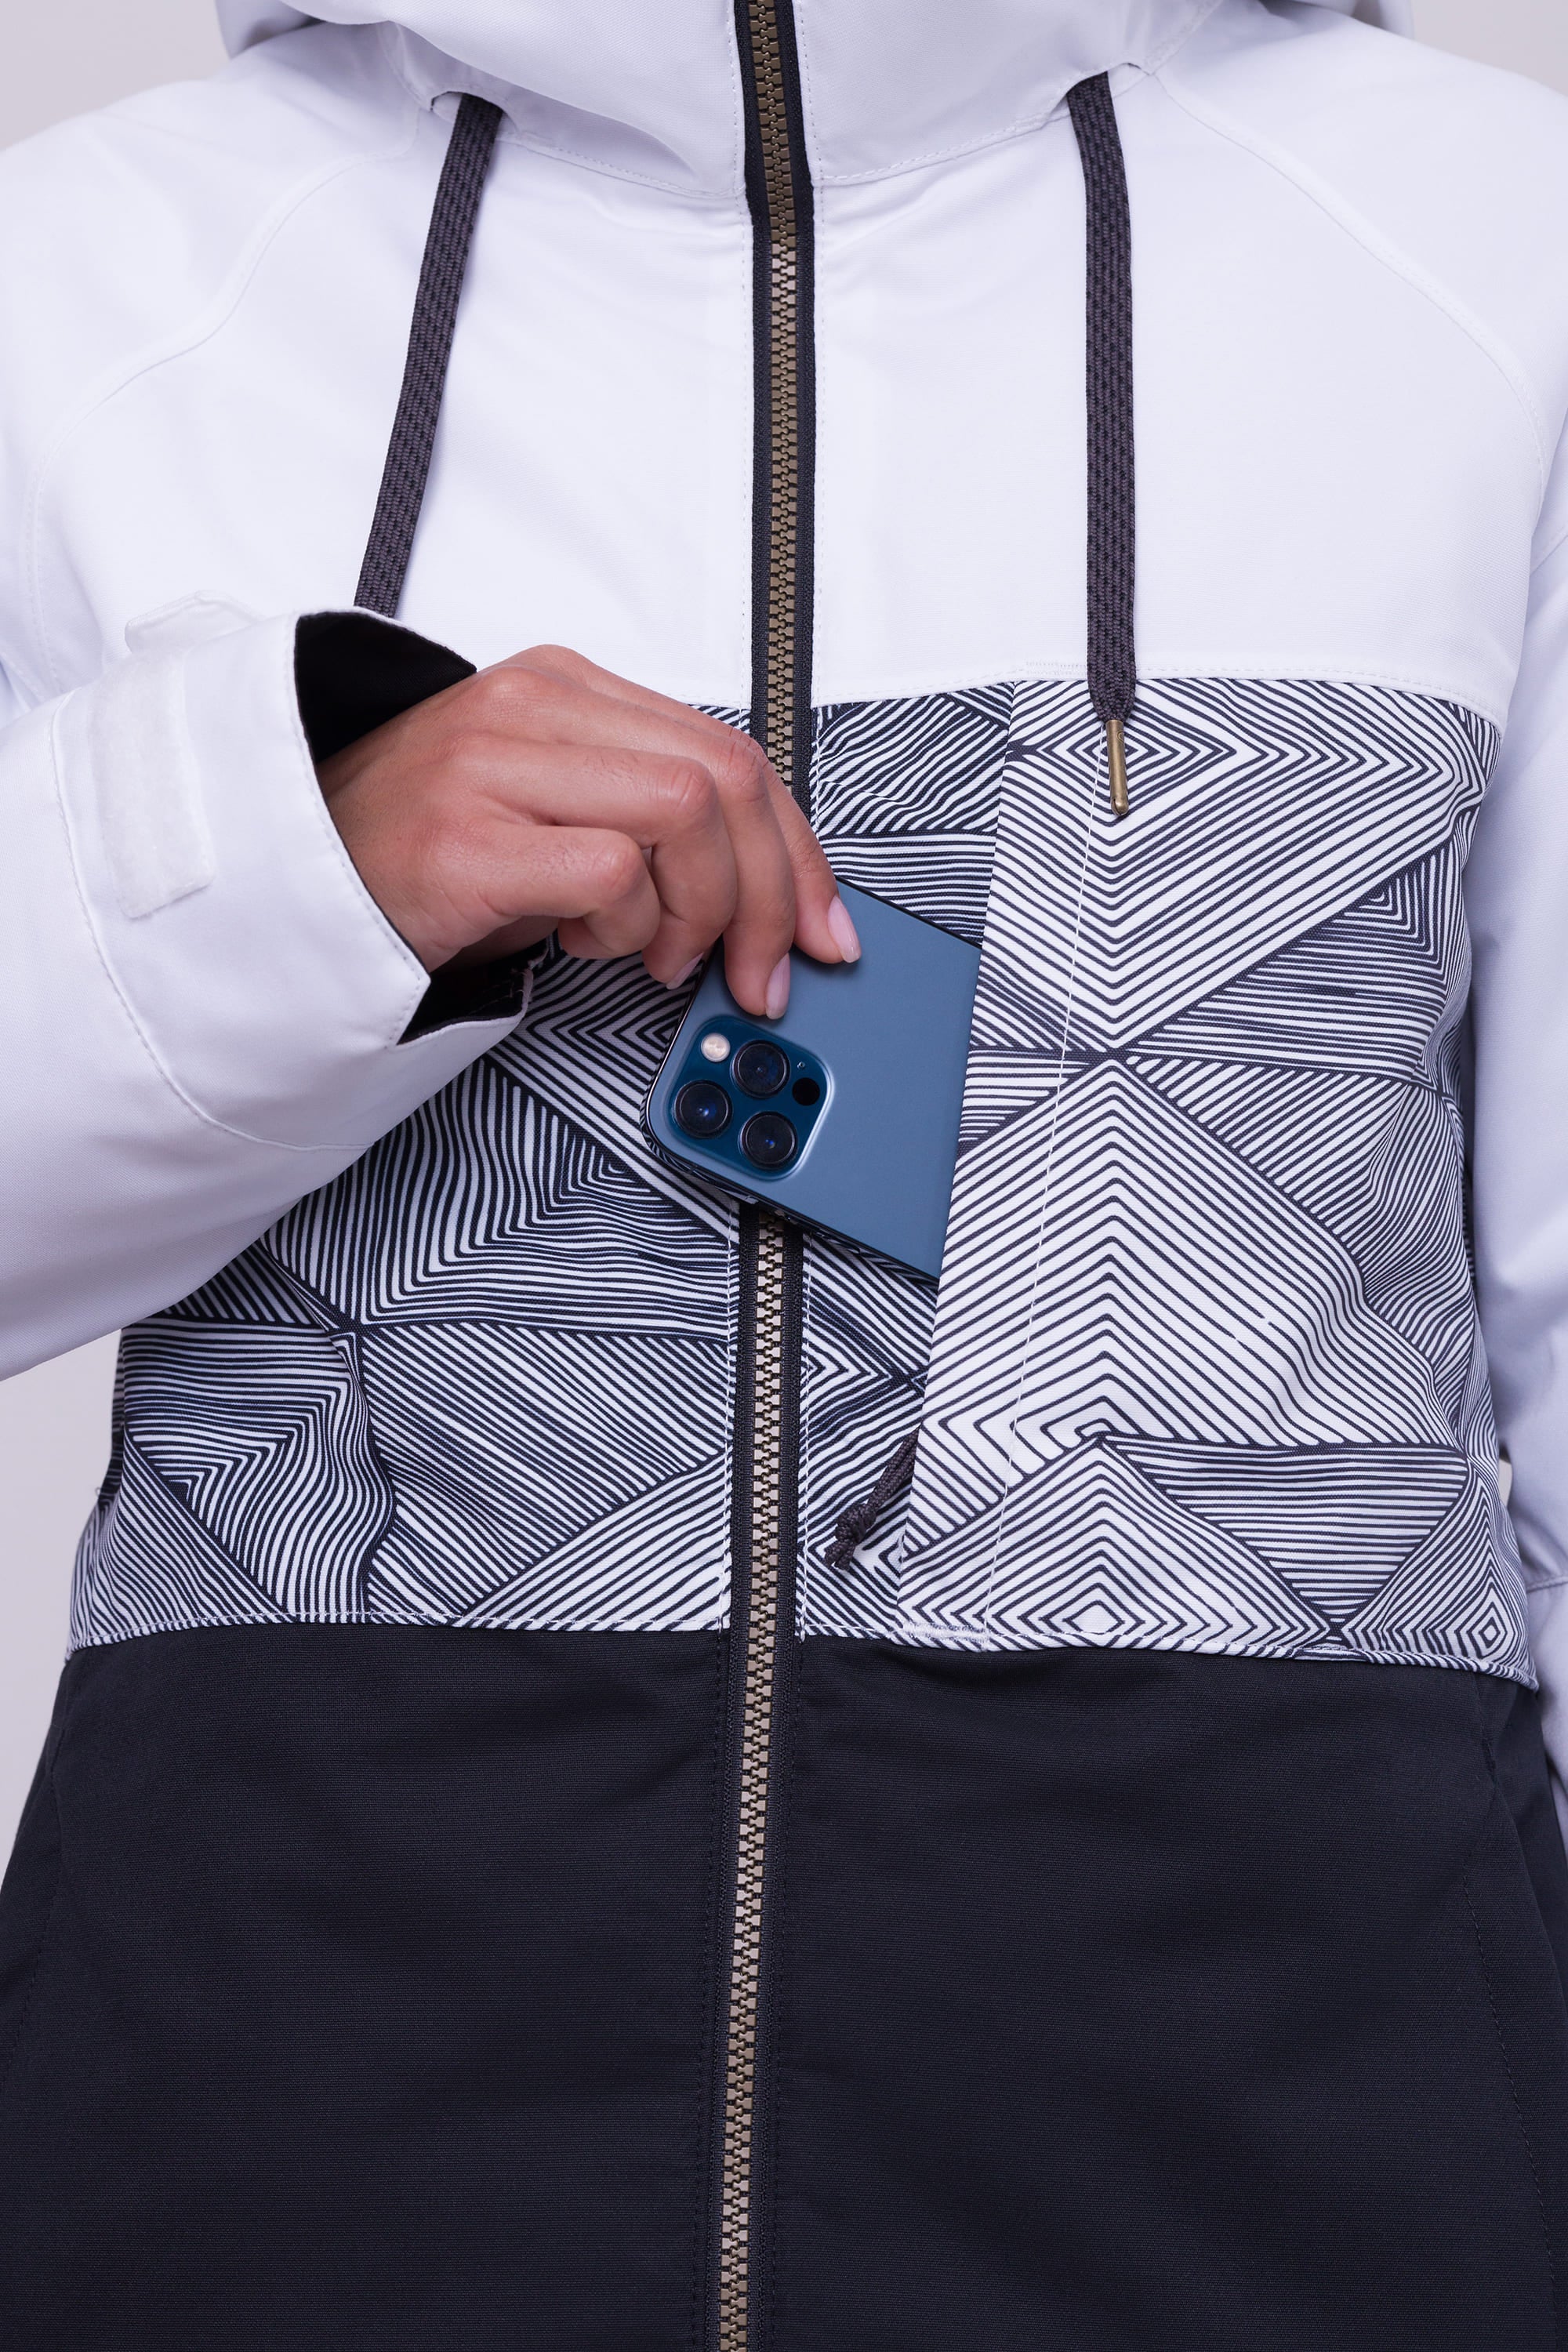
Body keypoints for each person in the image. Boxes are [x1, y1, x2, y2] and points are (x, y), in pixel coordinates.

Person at [2, 0, 1567, 2343]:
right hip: (275, 2102)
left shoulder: (1488, 245)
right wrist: (287, 855)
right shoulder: (94, 278)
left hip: (1294, 2115)